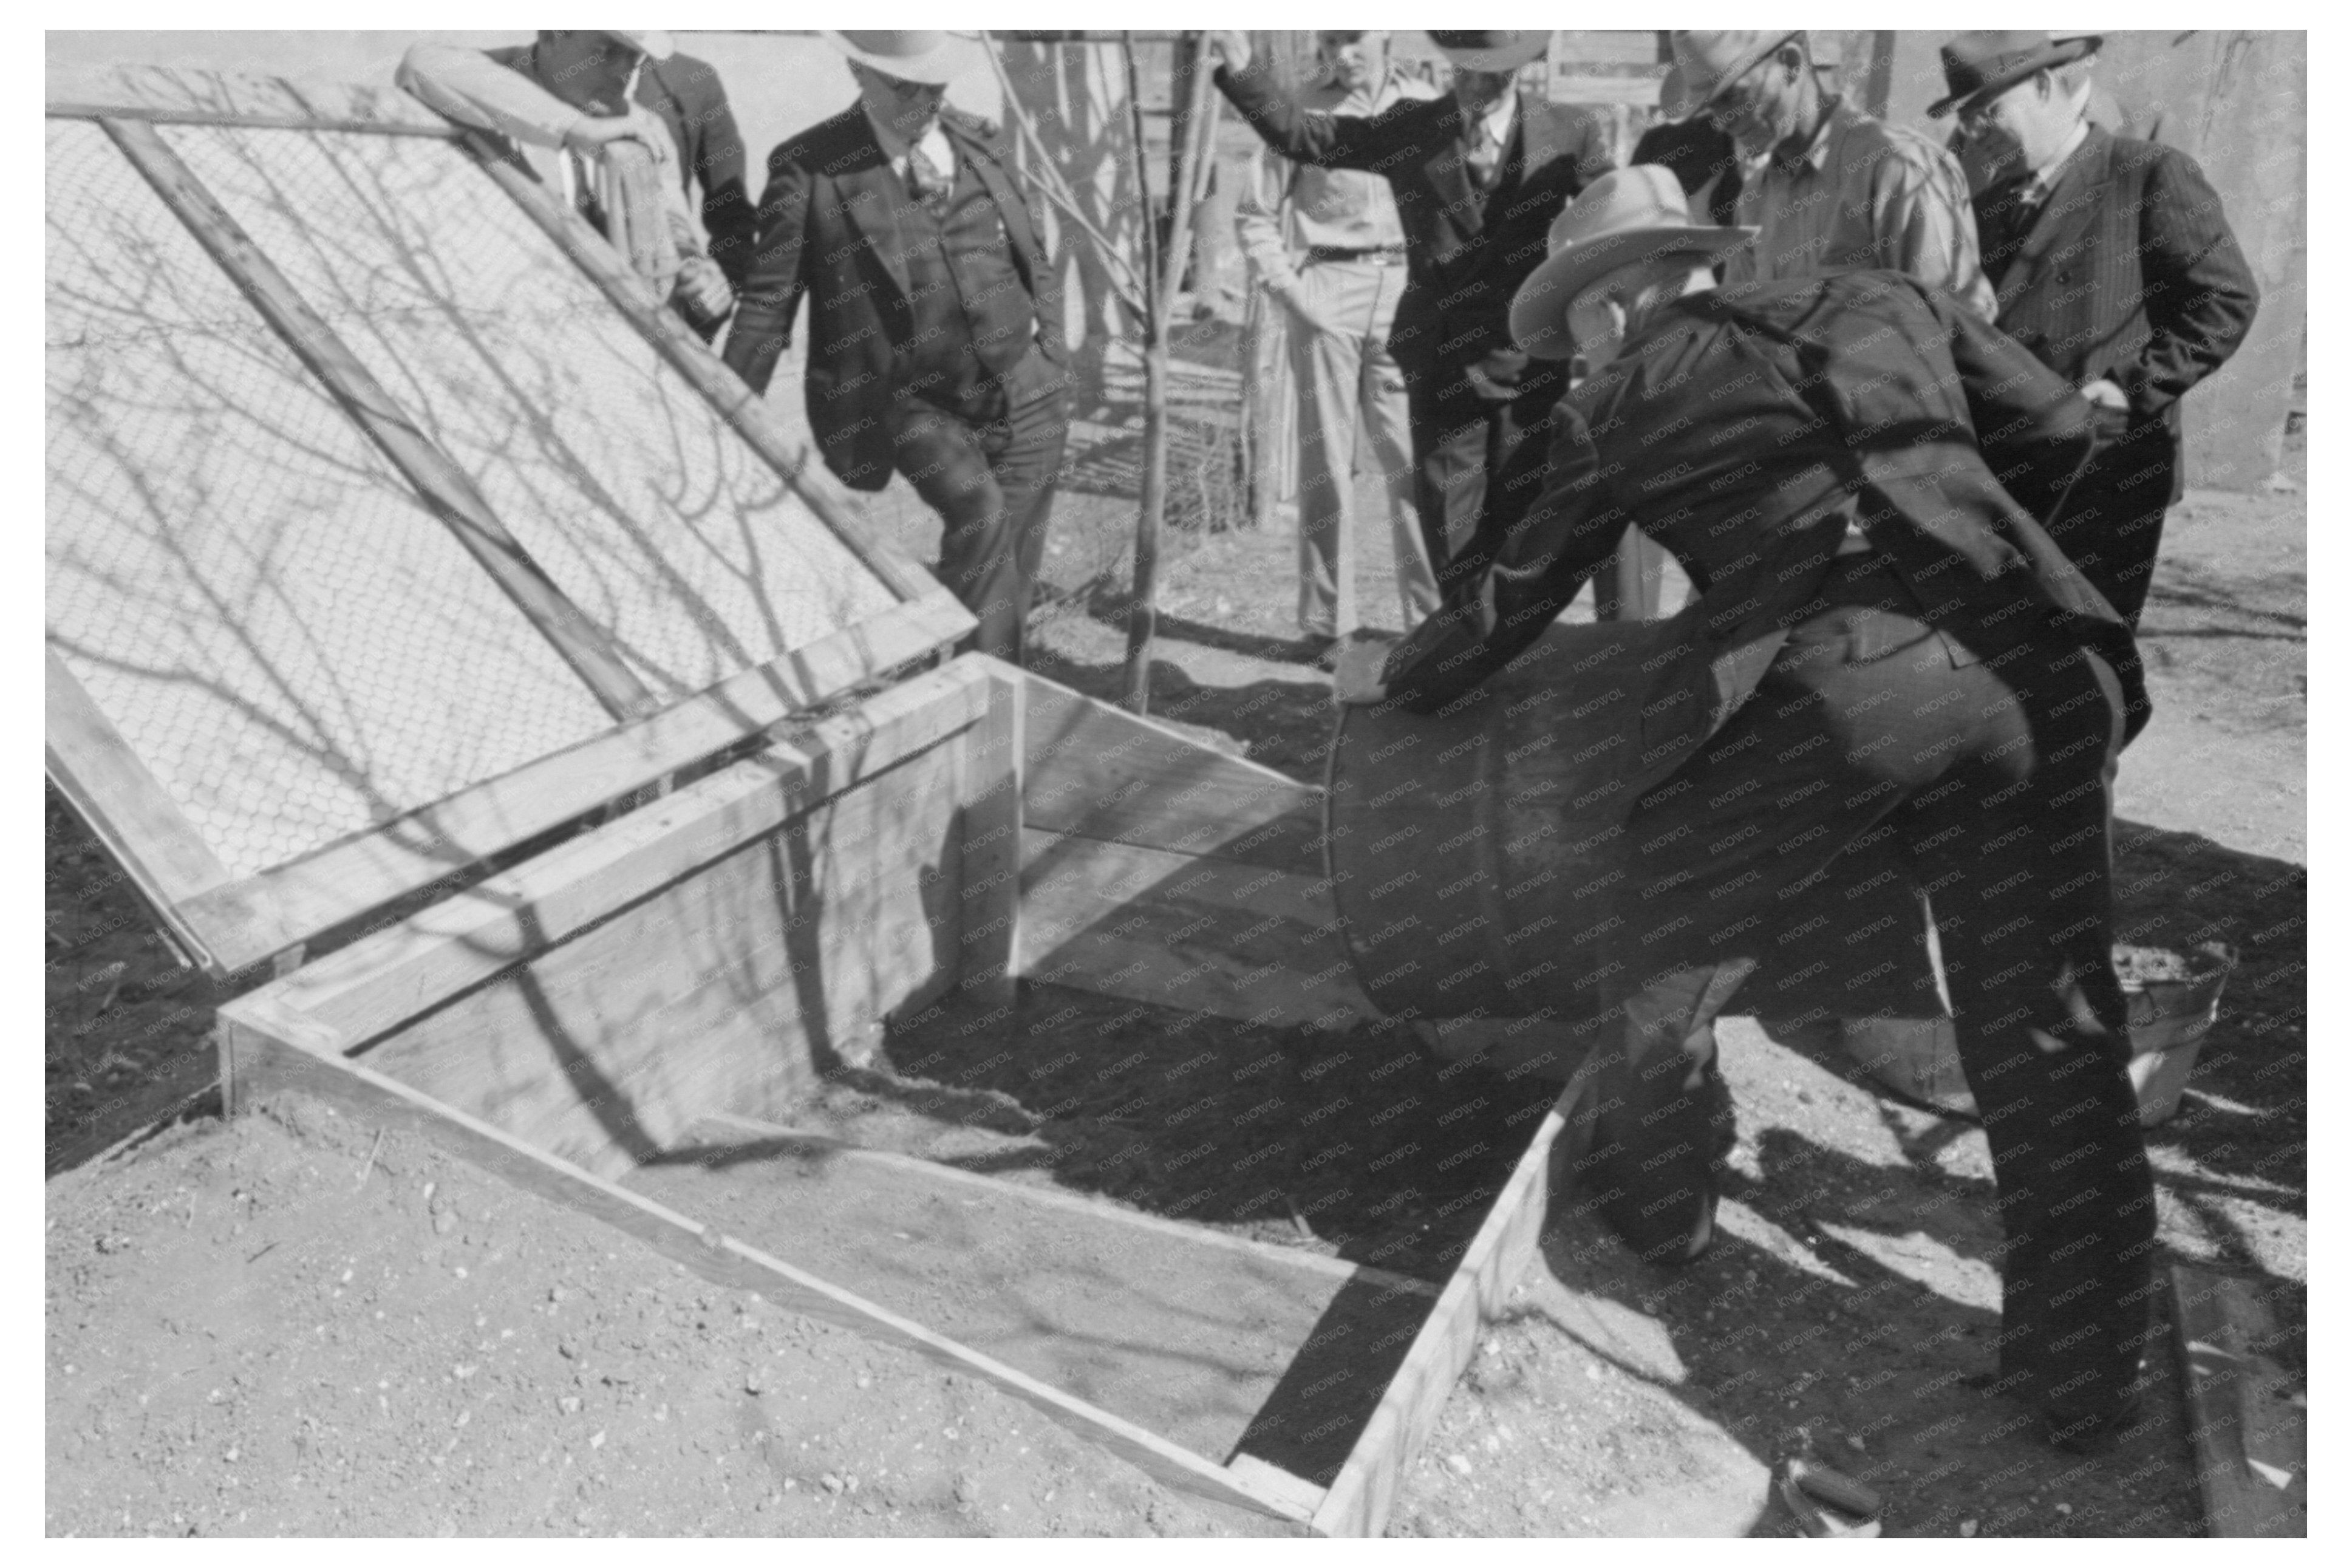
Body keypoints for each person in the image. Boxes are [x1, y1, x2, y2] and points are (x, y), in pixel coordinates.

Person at [1341, 166, 2153, 1456]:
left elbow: (1519, 594)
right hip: (2039, 673)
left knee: (1661, 938)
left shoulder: (1617, 402)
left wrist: (1407, 675)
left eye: (1578, 331)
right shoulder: (1894, 297)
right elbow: (2059, 433)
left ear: (1614, 307)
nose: (1577, 355)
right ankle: (2083, 1378)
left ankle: (1663, 1210)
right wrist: (1961, 550)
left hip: (1845, 689)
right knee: (2047, 1029)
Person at [1207, 30, 1612, 593]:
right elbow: (1306, 135)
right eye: (1460, 69)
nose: (1470, 84)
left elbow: (1612, 221)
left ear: (1517, 68)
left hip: (1530, 366)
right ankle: (1461, 666)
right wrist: (1243, 70)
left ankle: (1515, 666)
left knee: (1523, 529)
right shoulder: (1414, 126)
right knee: (1452, 537)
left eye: (1486, 71)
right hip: (1443, 367)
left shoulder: (1571, 131)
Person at [721, 31, 1071, 665]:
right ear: (859, 69)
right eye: (905, 86)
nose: (925, 101)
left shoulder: (980, 141)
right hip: (912, 401)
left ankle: (992, 690)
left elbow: (1031, 254)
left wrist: (1053, 354)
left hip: (1024, 382)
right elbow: (767, 304)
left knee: (1008, 565)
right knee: (980, 515)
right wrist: (723, 418)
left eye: (935, 85)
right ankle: (979, 705)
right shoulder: (810, 167)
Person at [1934, 31, 2259, 631]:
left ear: (2040, 85)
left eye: (1989, 113)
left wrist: (2129, 388)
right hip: (2010, 474)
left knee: (2085, 668)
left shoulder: (2148, 175)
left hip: (2106, 475)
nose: (1978, 134)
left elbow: (2224, 300)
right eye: (1970, 120)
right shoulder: (1989, 207)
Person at [1232, 31, 1442, 658]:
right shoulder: (1300, 110)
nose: (1343, 54)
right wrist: (1294, 294)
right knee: (1327, 463)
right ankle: (1331, 624)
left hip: (1409, 291)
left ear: (1384, 34)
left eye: (1354, 40)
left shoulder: (1428, 104)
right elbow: (1253, 213)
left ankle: (1433, 622)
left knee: (1416, 460)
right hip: (1327, 290)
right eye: (1331, 41)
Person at [398, 31, 735, 337]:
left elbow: (671, 218)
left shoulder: (643, 125)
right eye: (607, 52)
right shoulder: (493, 84)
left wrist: (695, 270)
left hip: (607, 342)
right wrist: (575, 128)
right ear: (553, 34)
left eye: (634, 58)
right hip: (504, 327)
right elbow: (421, 62)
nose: (624, 72)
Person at [1666, 30, 1997, 319]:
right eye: (1713, 107)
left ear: (1792, 64)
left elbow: (1955, 324)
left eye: (1734, 97)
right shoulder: (1756, 197)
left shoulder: (1898, 168)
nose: (1723, 121)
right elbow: (1742, 328)